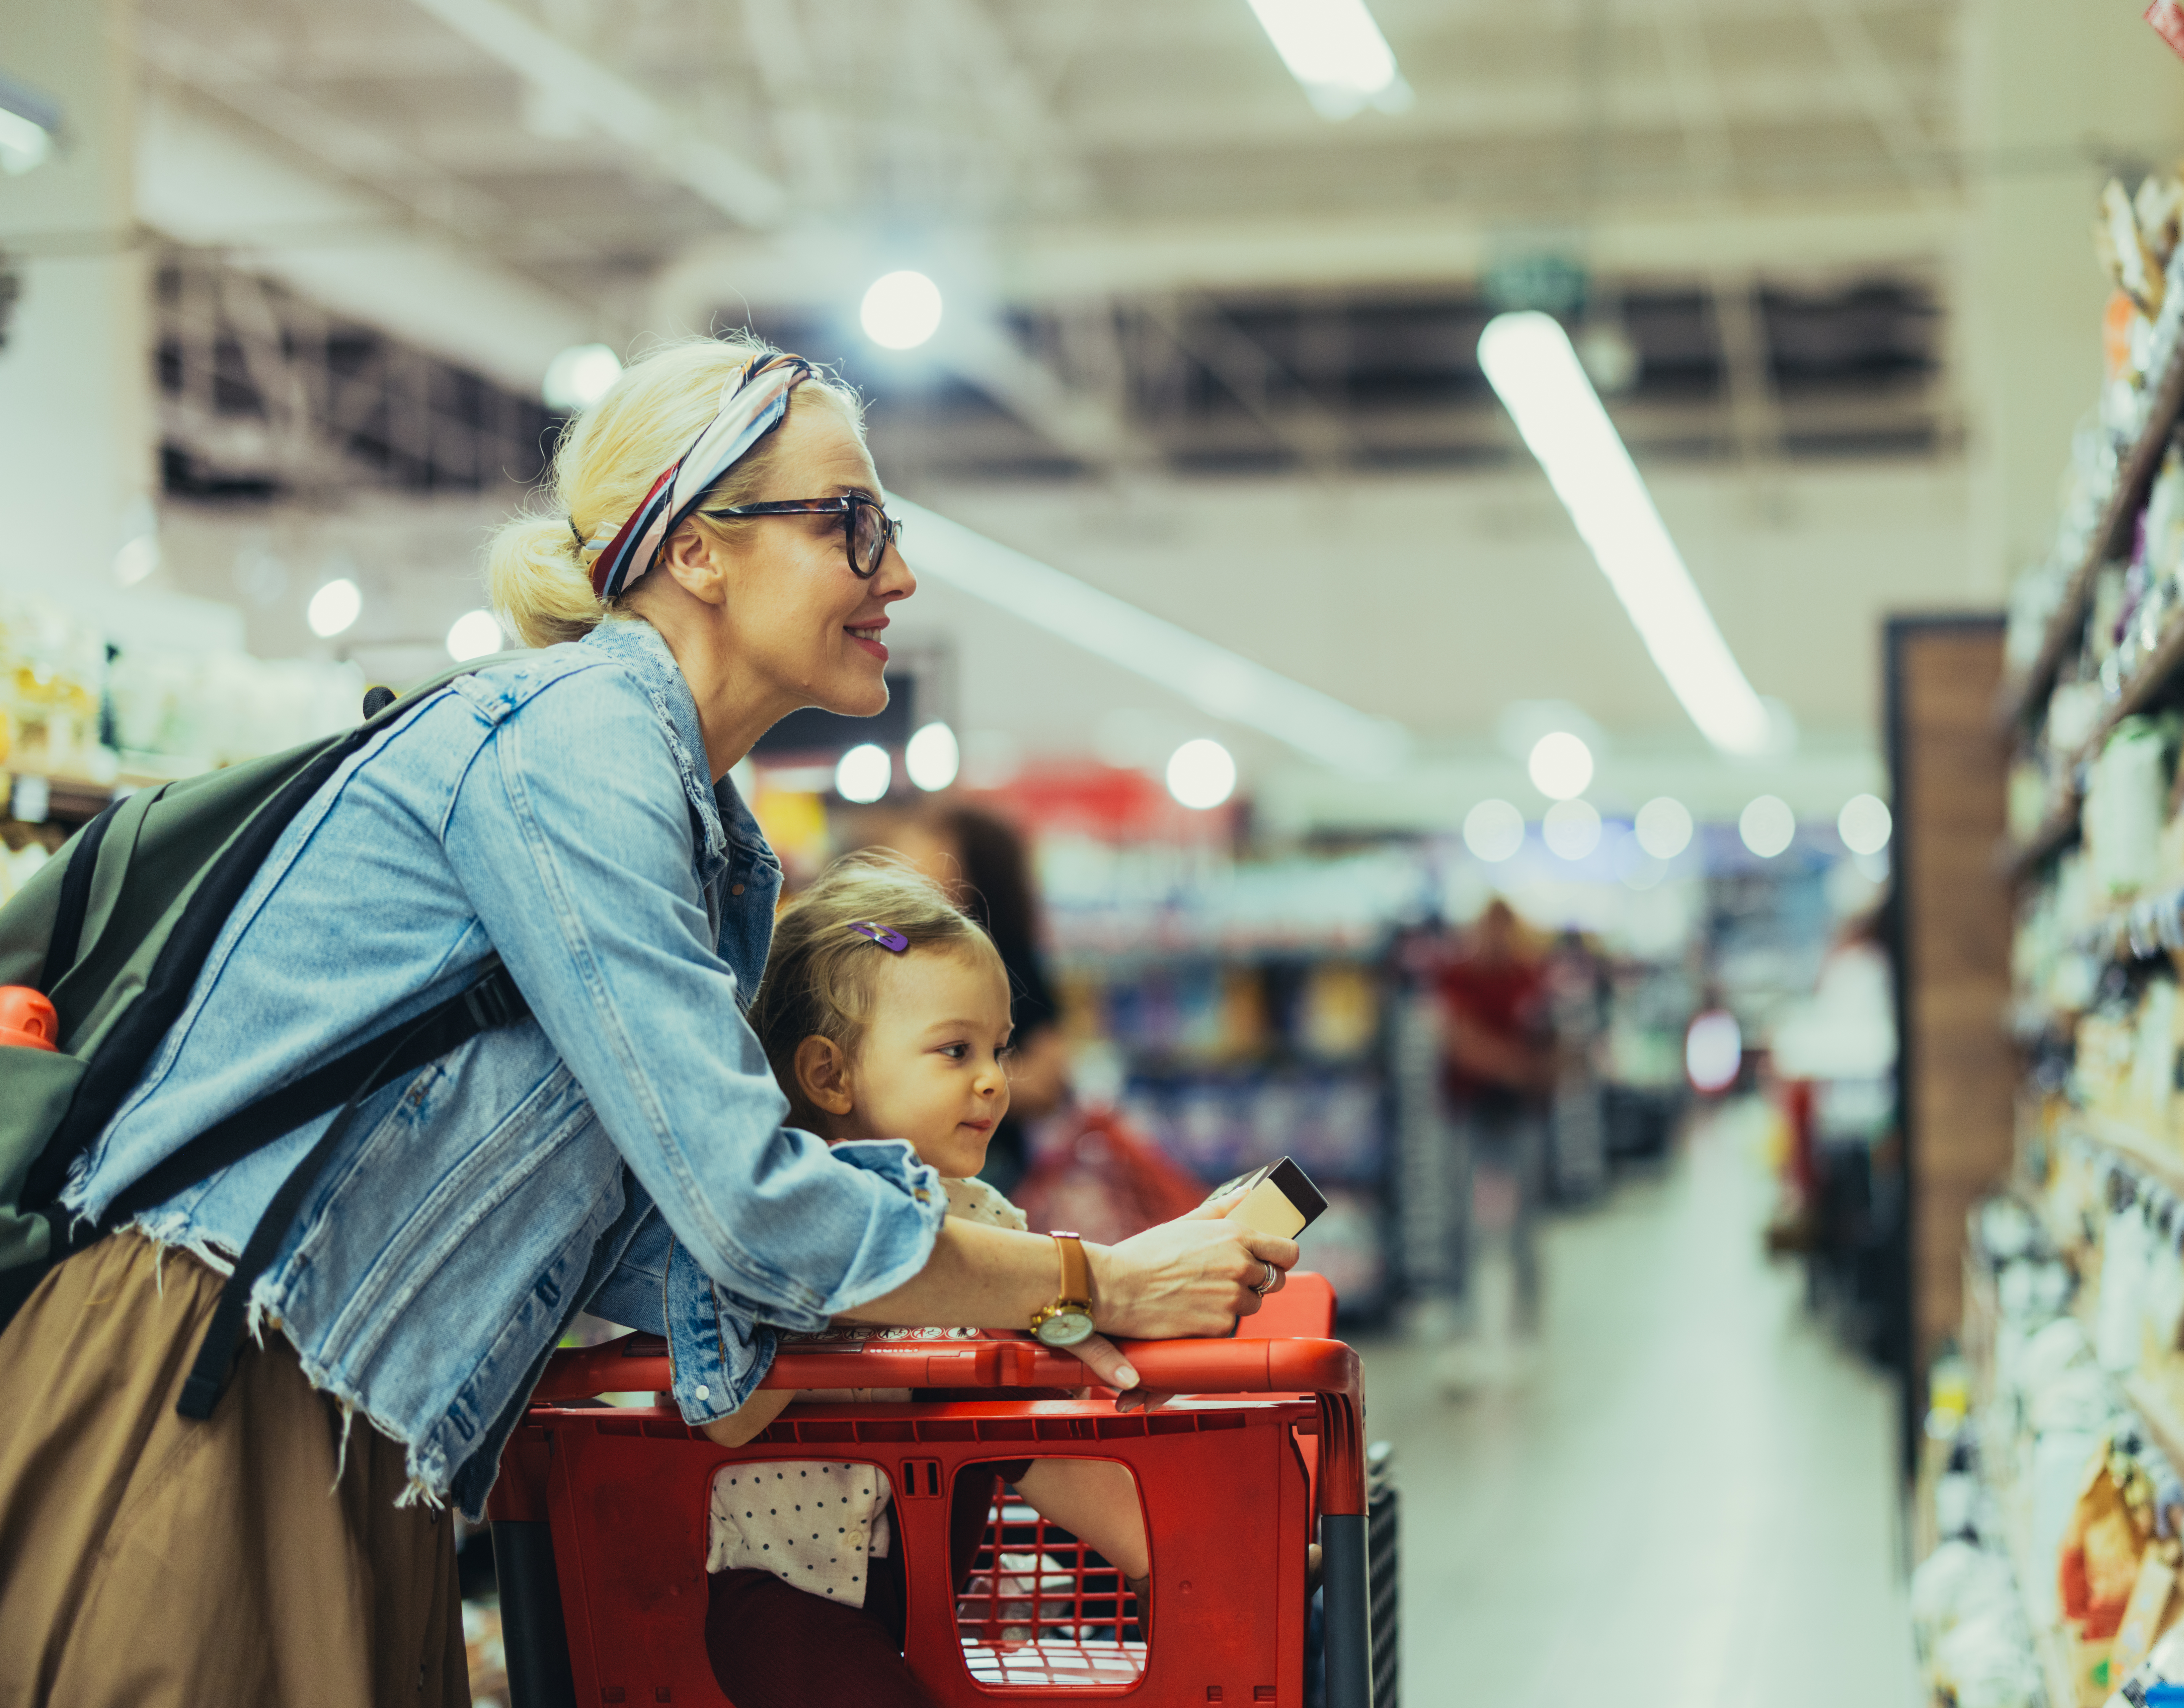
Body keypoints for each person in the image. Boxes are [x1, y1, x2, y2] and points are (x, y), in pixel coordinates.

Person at [0, 335, 1294, 1708]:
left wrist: (984, 1248)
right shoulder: (573, 741)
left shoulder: (716, 850)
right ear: (697, 547)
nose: (896, 574)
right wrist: (1087, 1279)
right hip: (200, 1370)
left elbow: (650, 1245)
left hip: (354, 1412)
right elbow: (746, 1209)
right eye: (850, 523)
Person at [696, 852, 1155, 1708]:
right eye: (954, 1049)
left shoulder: (981, 1216)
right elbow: (731, 1408)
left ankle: (1173, 1562)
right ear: (829, 1074)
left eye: (997, 1049)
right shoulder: (773, 1217)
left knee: (1004, 1417)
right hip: (786, 1590)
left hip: (934, 1574)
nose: (992, 1079)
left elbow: (1037, 1419)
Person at [879, 803, 1069, 1193]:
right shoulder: (891, 946)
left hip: (988, 1166)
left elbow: (1047, 1083)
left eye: (934, 853)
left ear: (972, 871)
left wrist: (953, 1072)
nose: (914, 866)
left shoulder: (1010, 961)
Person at [1433, 898, 1555, 1387]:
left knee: (1526, 1224)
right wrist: (1515, 1065)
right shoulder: (1458, 976)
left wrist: (1534, 1070)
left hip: (1520, 1113)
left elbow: (1550, 1042)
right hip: (1469, 1111)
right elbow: (1458, 1040)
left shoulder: (1531, 977)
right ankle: (1462, 1329)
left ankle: (1527, 1327)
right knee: (1460, 1222)